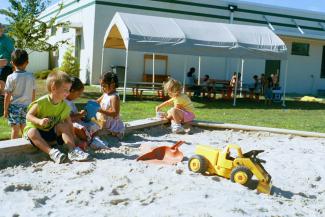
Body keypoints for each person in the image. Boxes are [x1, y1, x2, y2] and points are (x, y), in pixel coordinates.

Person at [23, 71, 89, 164]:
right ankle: (52, 153)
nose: (68, 93)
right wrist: (39, 121)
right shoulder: (42, 102)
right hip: (37, 133)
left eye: (69, 90)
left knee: (63, 125)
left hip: (51, 132)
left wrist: (75, 140)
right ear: (53, 88)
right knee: (32, 132)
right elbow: (28, 115)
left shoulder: (64, 106)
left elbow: (69, 124)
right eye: (65, 89)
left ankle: (72, 151)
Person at [3, 49, 35, 139]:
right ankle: (25, 147)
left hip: (14, 107)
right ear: (27, 62)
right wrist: (33, 107)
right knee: (25, 129)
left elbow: (7, 95)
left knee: (15, 129)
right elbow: (33, 93)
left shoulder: (10, 77)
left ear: (12, 63)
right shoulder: (31, 76)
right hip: (27, 106)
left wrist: (5, 110)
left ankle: (13, 148)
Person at [65, 77, 101, 146]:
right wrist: (80, 114)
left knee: (95, 124)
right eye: (78, 94)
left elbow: (75, 114)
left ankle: (94, 139)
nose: (79, 96)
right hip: (69, 125)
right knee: (79, 129)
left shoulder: (71, 101)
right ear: (72, 90)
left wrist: (82, 116)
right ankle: (89, 141)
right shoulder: (64, 102)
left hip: (78, 122)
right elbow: (66, 118)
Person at [96, 72, 125, 138]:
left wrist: (100, 110)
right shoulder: (105, 94)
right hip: (104, 121)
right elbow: (97, 101)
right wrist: (92, 103)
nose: (102, 88)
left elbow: (115, 113)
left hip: (113, 127)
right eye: (101, 86)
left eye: (104, 86)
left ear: (112, 85)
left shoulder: (114, 97)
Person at [0, 23, 15, 116]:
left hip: (6, 66)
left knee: (2, 83)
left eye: (1, 30)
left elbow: (13, 53)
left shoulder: (6, 40)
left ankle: (4, 103)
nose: (1, 32)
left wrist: (14, 66)